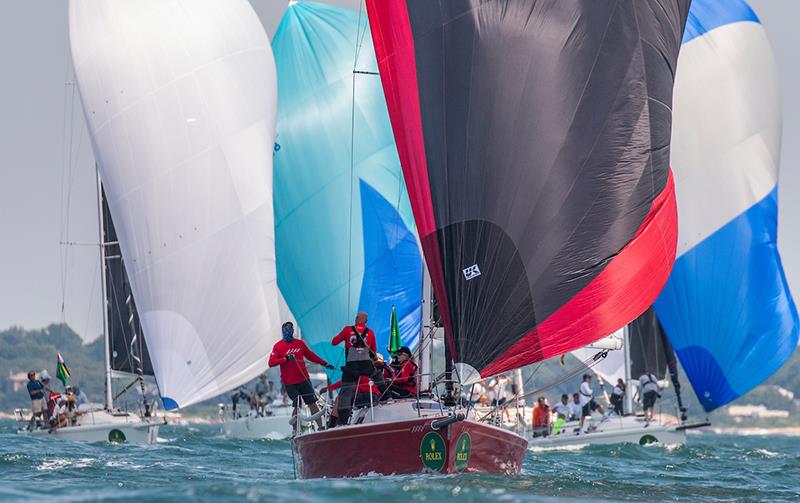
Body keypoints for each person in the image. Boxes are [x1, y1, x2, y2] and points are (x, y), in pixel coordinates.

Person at [268, 321, 333, 431]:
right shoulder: (278, 346)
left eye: (291, 328)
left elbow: (311, 356)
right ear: (283, 331)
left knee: (312, 403)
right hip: (290, 383)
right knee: (297, 404)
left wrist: (325, 363)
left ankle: (321, 427)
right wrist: (285, 359)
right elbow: (271, 362)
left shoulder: (299, 343)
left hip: (304, 380)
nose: (289, 331)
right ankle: (295, 430)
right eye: (287, 329)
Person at [331, 312, 377, 425]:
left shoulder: (348, 329)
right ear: (366, 321)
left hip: (351, 366)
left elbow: (334, 342)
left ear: (356, 319)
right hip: (366, 369)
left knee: (345, 393)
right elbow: (374, 352)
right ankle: (388, 397)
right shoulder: (370, 332)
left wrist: (328, 388)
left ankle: (340, 422)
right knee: (377, 375)